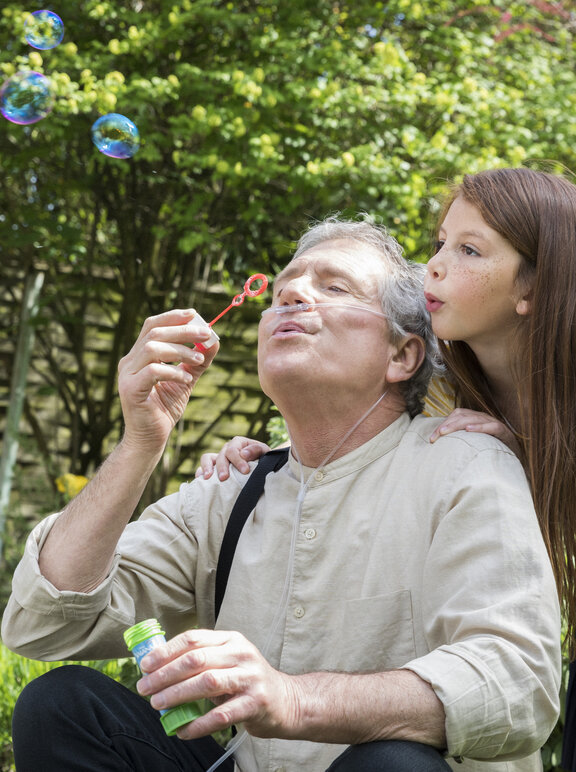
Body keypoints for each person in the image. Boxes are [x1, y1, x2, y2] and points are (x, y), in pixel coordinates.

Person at [2, 217, 561, 772]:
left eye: (334, 286)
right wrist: (141, 441)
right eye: (283, 286)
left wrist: (294, 698)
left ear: (401, 355)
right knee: (64, 706)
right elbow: (43, 624)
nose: (291, 291)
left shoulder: (467, 464)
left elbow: (519, 684)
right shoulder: (232, 490)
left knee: (395, 764)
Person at [201, 169, 576, 769]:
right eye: (440, 243)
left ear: (532, 287)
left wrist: (528, 445)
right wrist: (264, 457)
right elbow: (352, 438)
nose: (434, 265)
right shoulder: (447, 394)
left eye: (469, 250)